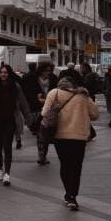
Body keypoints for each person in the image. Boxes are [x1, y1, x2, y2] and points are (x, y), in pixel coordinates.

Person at [41, 75, 99, 210]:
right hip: (79, 137)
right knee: (76, 166)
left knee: (65, 165)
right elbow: (95, 115)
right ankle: (73, 195)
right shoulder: (83, 96)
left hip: (60, 136)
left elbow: (45, 113)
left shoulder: (54, 93)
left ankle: (68, 193)